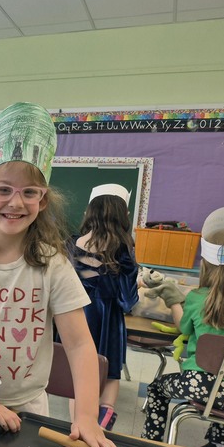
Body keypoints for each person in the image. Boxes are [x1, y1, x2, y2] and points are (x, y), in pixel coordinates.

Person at [0, 102, 119, 447]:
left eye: (29, 192)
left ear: (42, 200)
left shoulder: (54, 266)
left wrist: (86, 416)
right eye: (3, 189)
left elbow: (80, 346)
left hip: (30, 409)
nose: (16, 202)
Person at [141, 206, 224, 447]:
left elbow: (182, 327)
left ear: (205, 266)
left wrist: (175, 300)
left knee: (156, 388)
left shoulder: (198, 298)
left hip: (197, 383)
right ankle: (218, 446)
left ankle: (151, 442)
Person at [65, 184, 139, 430]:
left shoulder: (70, 244)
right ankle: (100, 431)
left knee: (77, 376)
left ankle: (78, 430)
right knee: (109, 375)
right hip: (108, 320)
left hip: (75, 317)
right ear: (121, 214)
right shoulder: (123, 250)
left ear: (90, 211)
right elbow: (128, 301)